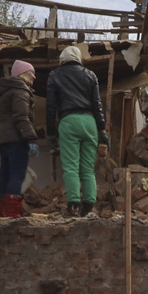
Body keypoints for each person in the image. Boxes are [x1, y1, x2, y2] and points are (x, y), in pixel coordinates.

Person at [46, 46, 109, 218]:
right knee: (88, 169)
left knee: (71, 167)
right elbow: (97, 105)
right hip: (89, 123)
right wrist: (102, 130)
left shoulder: (55, 75)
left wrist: (50, 132)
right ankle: (88, 208)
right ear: (79, 58)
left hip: (69, 121)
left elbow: (51, 106)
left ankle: (73, 207)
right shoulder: (90, 75)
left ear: (62, 59)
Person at [0, 59, 39, 218]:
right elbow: (21, 117)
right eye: (31, 73)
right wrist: (31, 139)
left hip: (4, 141)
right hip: (17, 139)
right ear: (22, 74)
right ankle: (12, 214)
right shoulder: (21, 91)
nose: (34, 77)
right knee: (16, 176)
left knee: (4, 177)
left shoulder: (6, 92)